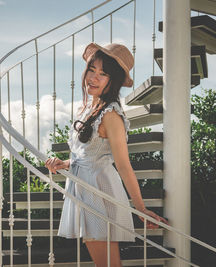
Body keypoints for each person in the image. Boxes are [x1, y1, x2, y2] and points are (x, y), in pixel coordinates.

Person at [45, 43, 169, 267]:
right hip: (85, 185)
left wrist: (140, 209)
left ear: (113, 81)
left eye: (103, 74)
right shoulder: (88, 108)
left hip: (98, 191)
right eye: (92, 70)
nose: (94, 77)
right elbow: (88, 155)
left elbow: (123, 165)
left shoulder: (110, 115)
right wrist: (63, 163)